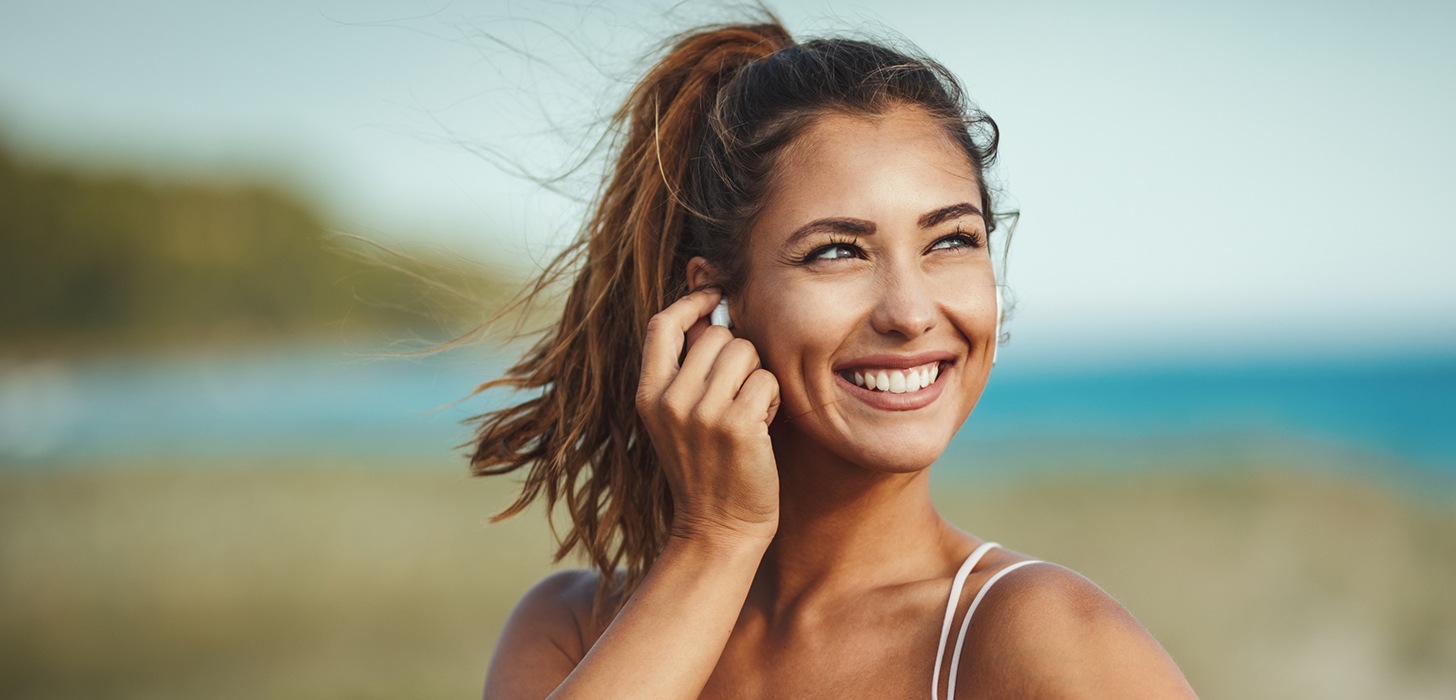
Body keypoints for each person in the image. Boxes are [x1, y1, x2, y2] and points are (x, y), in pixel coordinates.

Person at [470, 16, 1195, 699]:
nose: (910, 314)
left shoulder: (1043, 639)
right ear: (717, 305)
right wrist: (716, 542)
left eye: (950, 241)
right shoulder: (572, 630)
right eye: (838, 252)